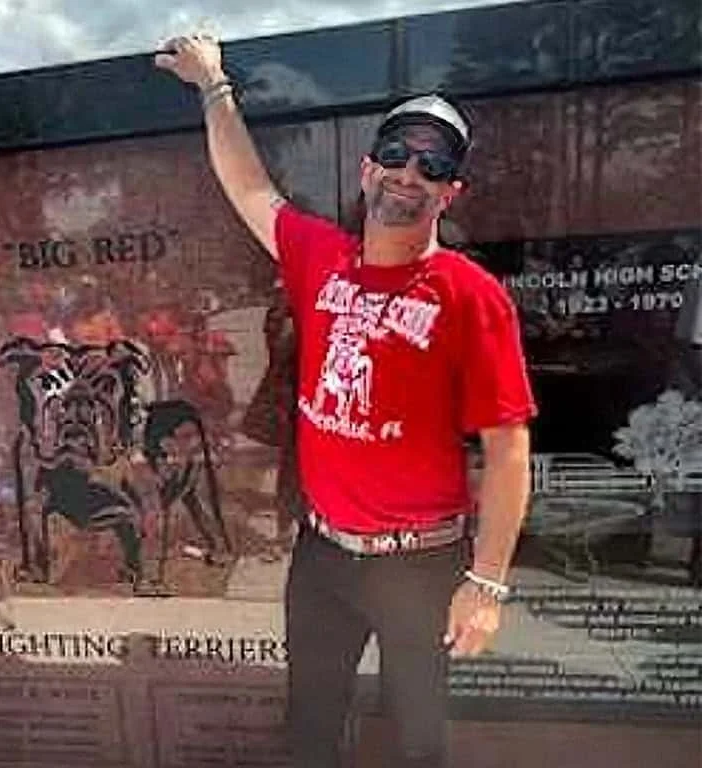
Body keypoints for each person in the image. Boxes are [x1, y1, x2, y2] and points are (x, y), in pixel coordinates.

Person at [156, 34, 538, 768]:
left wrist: (486, 582)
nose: (410, 174)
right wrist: (213, 87)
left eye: (434, 165)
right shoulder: (319, 258)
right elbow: (250, 189)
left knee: (419, 742)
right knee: (309, 728)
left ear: (450, 191)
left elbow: (508, 446)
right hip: (323, 554)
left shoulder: (471, 296)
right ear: (368, 169)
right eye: (396, 155)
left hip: (421, 565)